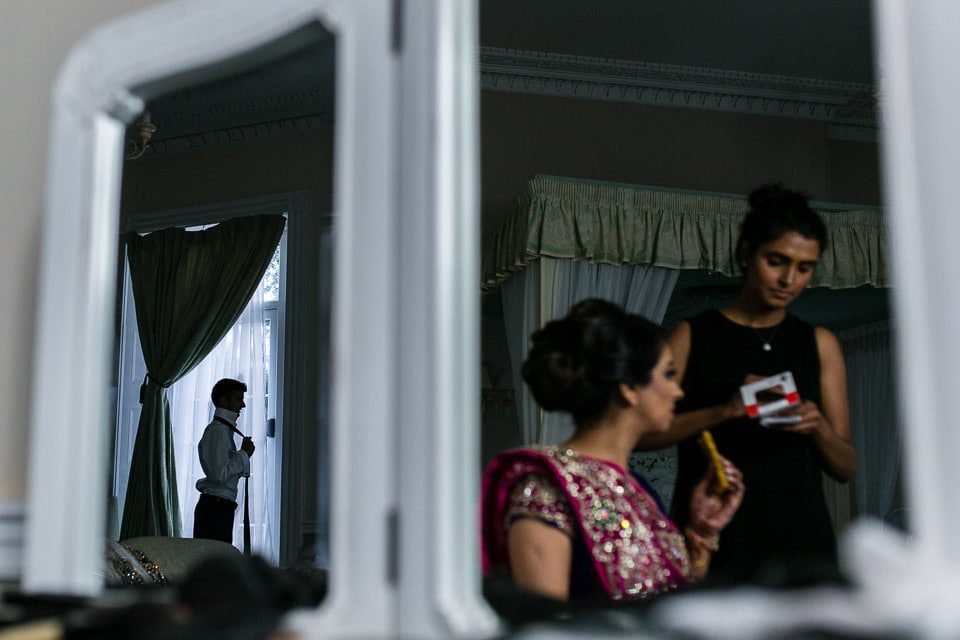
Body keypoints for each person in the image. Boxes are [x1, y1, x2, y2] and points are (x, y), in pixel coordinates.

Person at [642, 184, 858, 583]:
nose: (789, 279)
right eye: (776, 261)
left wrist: (818, 425)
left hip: (803, 542)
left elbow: (846, 467)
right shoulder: (692, 335)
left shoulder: (820, 343)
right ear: (746, 253)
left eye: (804, 267)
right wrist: (725, 410)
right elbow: (640, 433)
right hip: (714, 538)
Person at [481, 299, 745, 603]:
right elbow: (544, 628)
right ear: (629, 387)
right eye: (668, 375)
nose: (678, 391)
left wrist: (702, 531)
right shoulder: (547, 489)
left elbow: (666, 604)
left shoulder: (641, 489)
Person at [194, 378, 255, 544]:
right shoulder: (218, 432)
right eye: (238, 399)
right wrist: (243, 454)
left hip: (219, 508)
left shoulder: (223, 431)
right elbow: (220, 475)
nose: (243, 405)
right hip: (215, 510)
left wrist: (243, 455)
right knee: (214, 564)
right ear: (223, 401)